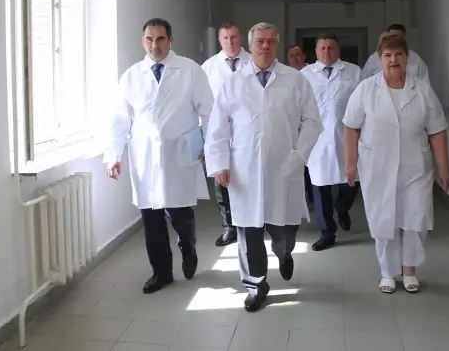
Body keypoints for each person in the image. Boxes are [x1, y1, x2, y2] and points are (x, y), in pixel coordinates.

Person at [204, 22, 323, 312]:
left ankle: (284, 253)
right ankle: (256, 285)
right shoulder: (233, 83)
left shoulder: (295, 80)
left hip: (285, 166)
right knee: (248, 230)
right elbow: (218, 127)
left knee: (284, 229)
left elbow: (312, 121)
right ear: (251, 45)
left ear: (277, 44)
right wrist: (219, 163)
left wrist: (299, 155)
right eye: (260, 41)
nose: (265, 46)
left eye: (271, 41)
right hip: (243, 169)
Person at [105, 18, 214, 294]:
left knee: (180, 214)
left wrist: (207, 145)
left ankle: (188, 247)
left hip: (180, 151)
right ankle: (161, 272)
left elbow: (208, 112)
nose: (155, 44)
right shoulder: (131, 76)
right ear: (143, 41)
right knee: (151, 218)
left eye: (160, 38)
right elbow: (120, 119)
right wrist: (114, 155)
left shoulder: (190, 70)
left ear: (170, 40)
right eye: (149, 39)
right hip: (144, 156)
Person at [342, 34, 449, 294]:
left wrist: (444, 166)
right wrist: (350, 164)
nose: (393, 60)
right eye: (388, 55)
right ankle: (388, 272)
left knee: (416, 217)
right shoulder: (366, 89)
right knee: (384, 220)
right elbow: (351, 127)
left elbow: (437, 130)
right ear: (380, 59)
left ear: (407, 58)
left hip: (416, 167)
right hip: (377, 166)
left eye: (398, 54)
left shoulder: (422, 90)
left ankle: (409, 269)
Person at [301, 34, 361, 252]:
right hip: (316, 140)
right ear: (316, 51)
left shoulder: (354, 72)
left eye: (331, 48)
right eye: (322, 48)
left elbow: (363, 103)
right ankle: (327, 232)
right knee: (320, 188)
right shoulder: (304, 75)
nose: (327, 51)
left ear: (338, 50)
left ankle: (342, 207)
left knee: (351, 183)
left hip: (346, 136)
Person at [201, 22, 251, 247]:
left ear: (240, 37)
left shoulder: (253, 62)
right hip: (218, 132)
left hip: (247, 132)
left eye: (233, 37)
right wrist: (203, 139)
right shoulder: (208, 67)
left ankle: (251, 223)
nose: (230, 42)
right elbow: (200, 104)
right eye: (225, 38)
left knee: (250, 179)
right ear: (219, 40)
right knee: (221, 182)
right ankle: (229, 227)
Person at [286, 44, 314, 207]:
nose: (295, 58)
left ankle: (311, 195)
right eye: (291, 55)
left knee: (310, 163)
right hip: (292, 127)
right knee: (297, 164)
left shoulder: (312, 74)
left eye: (297, 54)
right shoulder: (285, 76)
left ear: (304, 56)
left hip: (310, 124)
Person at [360, 23, 430, 84]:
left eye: (399, 37)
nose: (393, 60)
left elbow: (425, 82)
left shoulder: (416, 59)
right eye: (393, 36)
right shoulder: (374, 58)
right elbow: (364, 79)